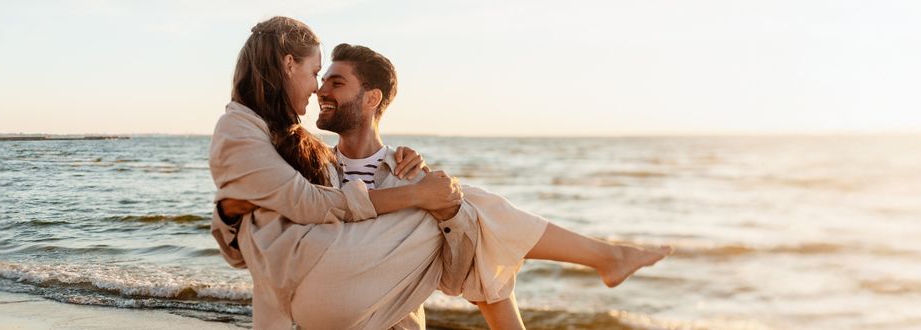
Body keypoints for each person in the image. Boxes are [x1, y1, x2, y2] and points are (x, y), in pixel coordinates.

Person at [209, 17, 671, 330]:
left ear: (371, 99)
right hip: (316, 309)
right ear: (288, 66)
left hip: (388, 320)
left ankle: (606, 259)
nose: (319, 91)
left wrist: (426, 193)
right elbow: (260, 237)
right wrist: (229, 212)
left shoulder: (406, 170)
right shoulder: (305, 159)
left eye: (335, 81)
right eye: (319, 76)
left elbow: (456, 269)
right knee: (461, 207)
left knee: (466, 221)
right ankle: (605, 258)